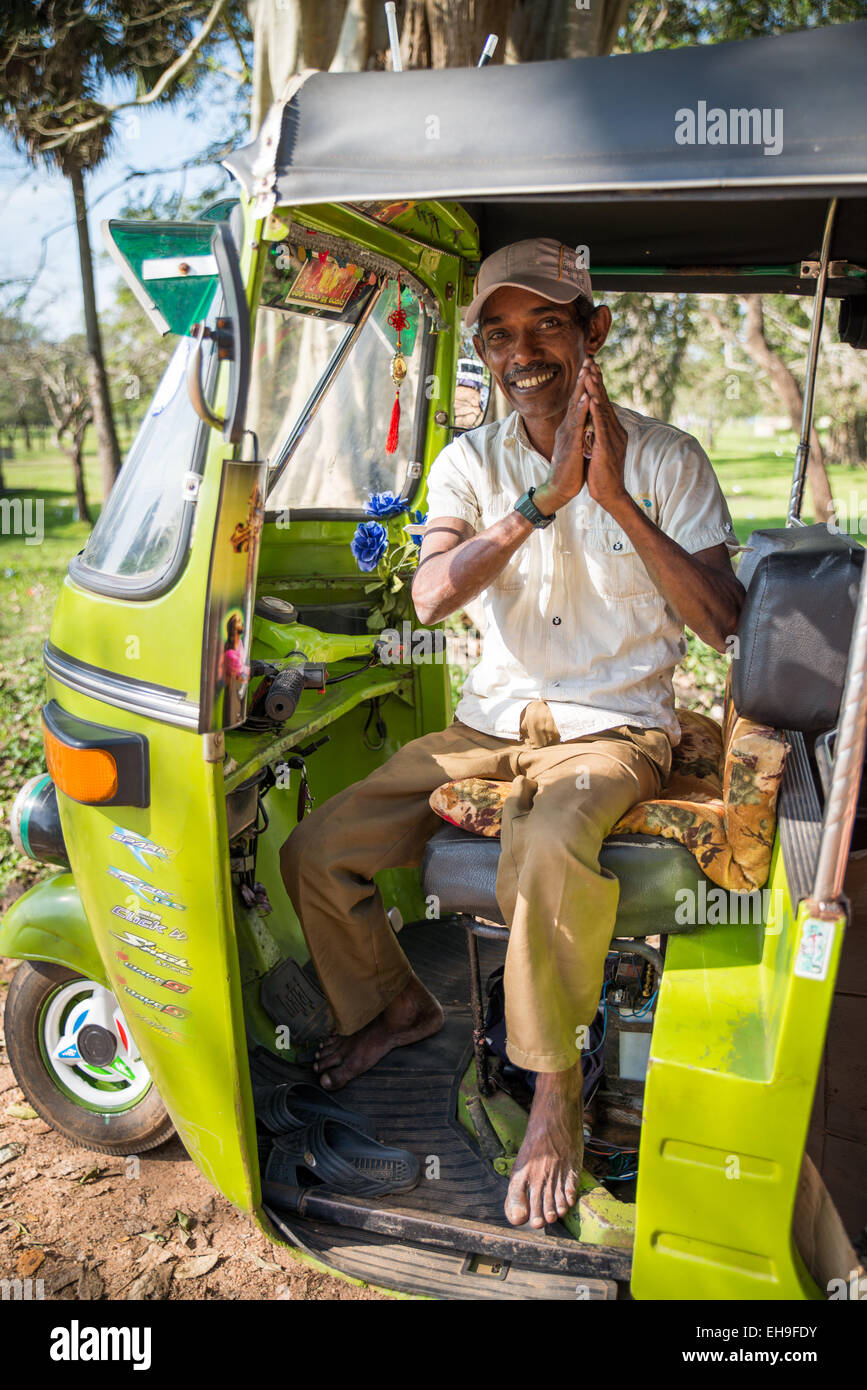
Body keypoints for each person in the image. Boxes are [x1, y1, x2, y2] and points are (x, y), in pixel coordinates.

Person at [280, 237, 744, 1231]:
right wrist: (539, 506)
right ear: (484, 349)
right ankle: (397, 1009)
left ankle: (553, 1093)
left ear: (593, 333)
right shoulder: (468, 464)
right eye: (501, 333)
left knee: (546, 837)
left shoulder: (666, 458)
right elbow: (433, 593)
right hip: (486, 724)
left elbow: (722, 622)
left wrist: (613, 495)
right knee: (318, 850)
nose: (522, 350)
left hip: (614, 731)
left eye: (547, 325)